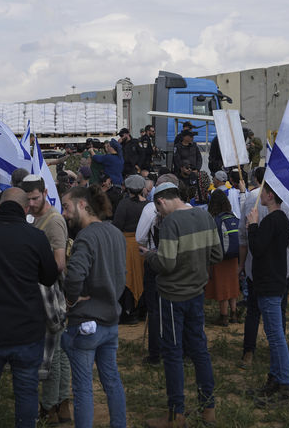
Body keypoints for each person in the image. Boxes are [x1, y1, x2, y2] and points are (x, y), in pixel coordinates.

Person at [0, 188, 58, 428]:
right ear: (26, 209)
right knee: (26, 392)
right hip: (26, 329)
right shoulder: (35, 236)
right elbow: (49, 277)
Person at [142, 182, 222, 427]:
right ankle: (208, 409)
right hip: (196, 293)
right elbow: (217, 255)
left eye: (158, 209)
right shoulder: (205, 215)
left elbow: (165, 263)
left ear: (161, 201)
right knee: (199, 349)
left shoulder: (171, 223)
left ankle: (176, 414)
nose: (159, 214)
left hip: (173, 296)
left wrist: (149, 256)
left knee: (173, 355)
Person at [60, 185, 127, 428]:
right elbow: (122, 275)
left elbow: (75, 275)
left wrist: (70, 300)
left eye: (66, 207)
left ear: (82, 205)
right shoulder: (115, 233)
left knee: (83, 388)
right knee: (111, 381)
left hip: (86, 324)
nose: (64, 213)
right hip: (110, 322)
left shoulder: (86, 237)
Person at [21, 175, 71, 424]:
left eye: (34, 198)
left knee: (50, 355)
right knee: (58, 352)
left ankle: (51, 405)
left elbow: (59, 264)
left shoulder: (54, 221)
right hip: (41, 292)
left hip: (49, 294)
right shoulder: (34, 217)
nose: (30, 203)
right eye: (27, 199)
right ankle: (61, 404)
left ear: (44, 192)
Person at [245, 183, 289, 405]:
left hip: (270, 283)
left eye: (263, 191)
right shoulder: (281, 219)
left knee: (275, 336)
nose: (260, 195)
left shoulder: (272, 220)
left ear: (270, 195)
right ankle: (275, 379)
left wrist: (252, 226)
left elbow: (257, 248)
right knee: (274, 335)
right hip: (273, 280)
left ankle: (285, 387)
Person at [135, 173, 180, 366]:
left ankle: (155, 354)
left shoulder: (149, 209)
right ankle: (178, 350)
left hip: (155, 260)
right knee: (176, 307)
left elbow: (139, 238)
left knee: (155, 310)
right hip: (179, 263)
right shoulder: (188, 209)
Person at [112, 174, 148, 325]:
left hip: (128, 245)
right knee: (143, 278)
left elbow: (117, 225)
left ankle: (129, 313)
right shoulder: (149, 204)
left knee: (128, 279)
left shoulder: (124, 204)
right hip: (144, 246)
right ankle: (142, 311)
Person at [205, 189, 240, 326]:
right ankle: (234, 314)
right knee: (233, 286)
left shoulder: (214, 220)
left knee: (222, 287)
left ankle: (223, 316)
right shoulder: (233, 216)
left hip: (219, 257)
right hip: (233, 257)